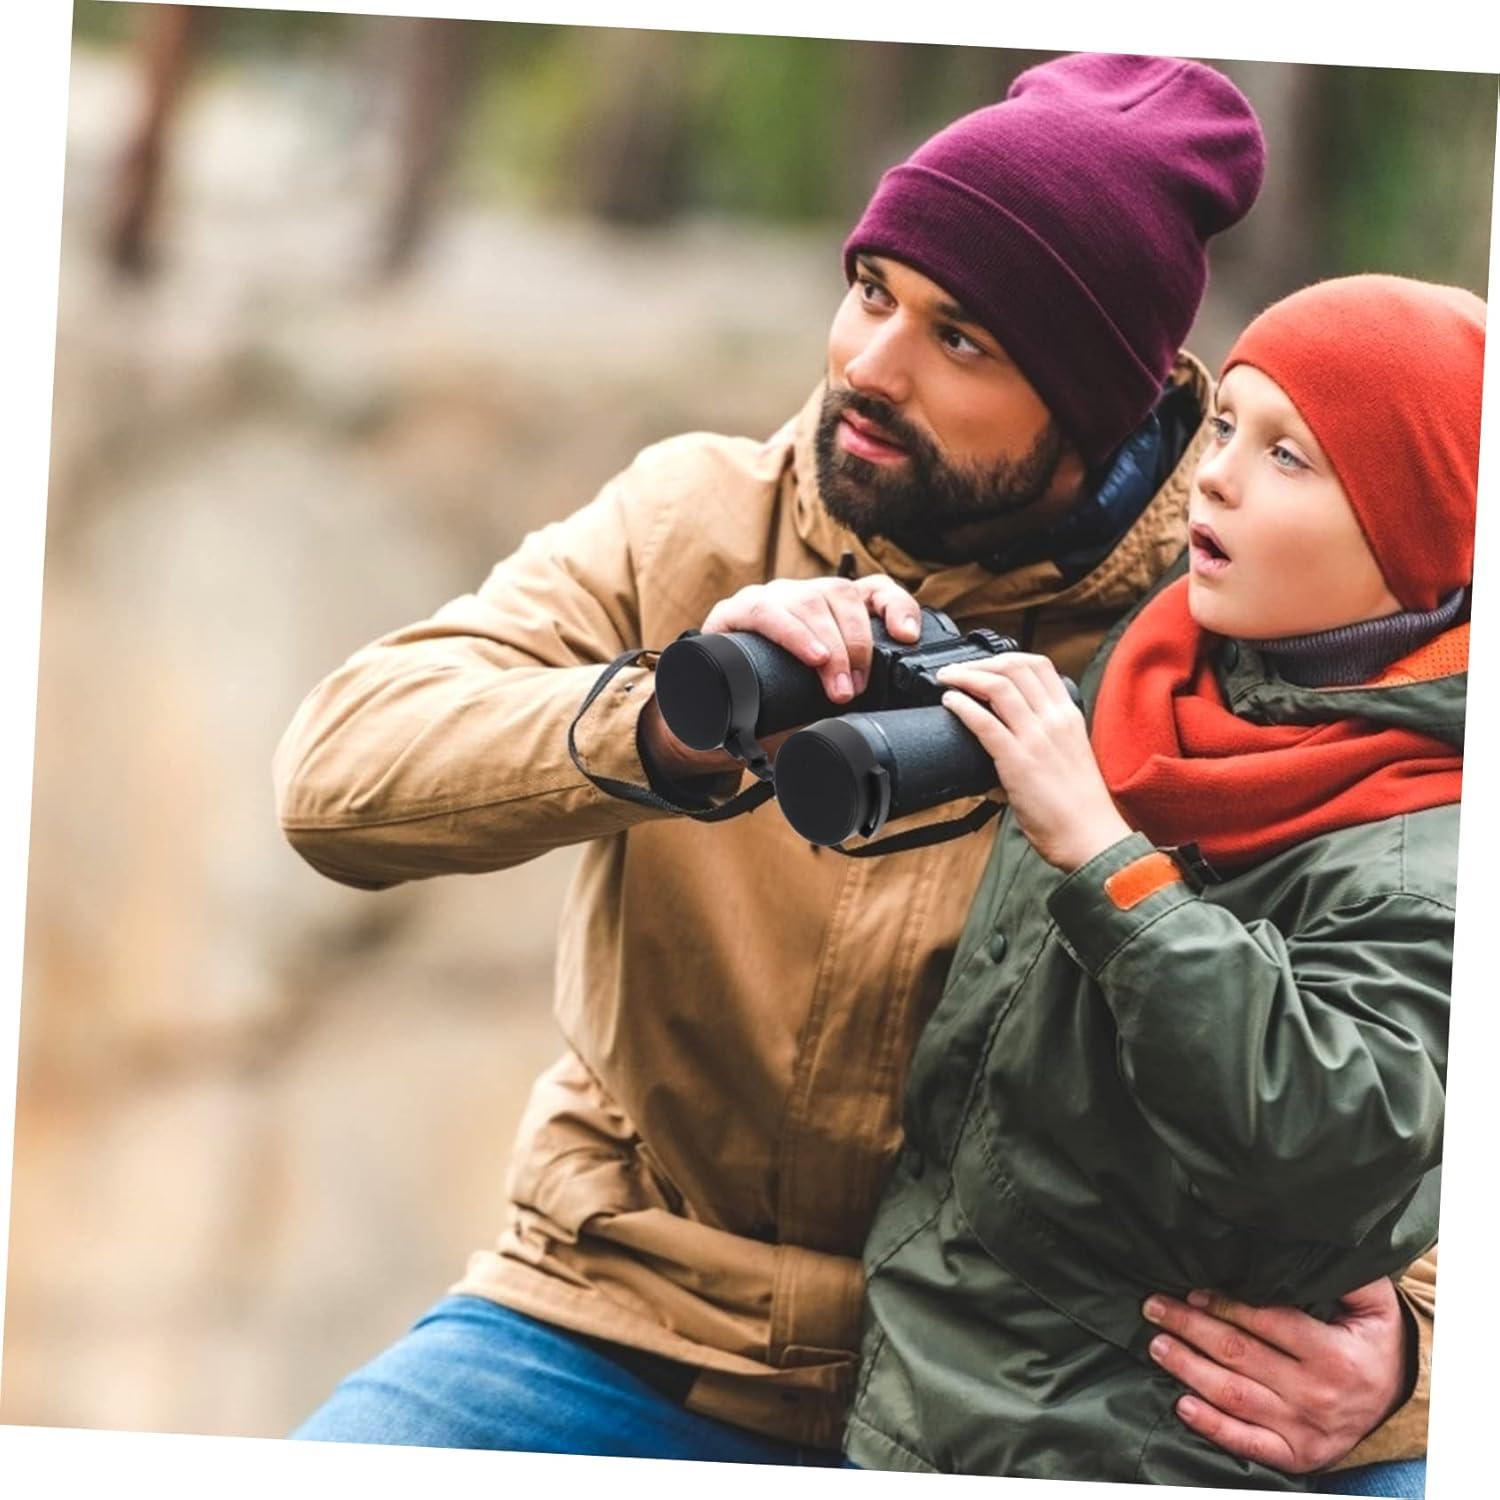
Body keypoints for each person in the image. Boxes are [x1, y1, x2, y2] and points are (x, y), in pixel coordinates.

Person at [274, 55, 1432, 1483]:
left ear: (1100, 408)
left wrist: (1419, 1356)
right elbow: (340, 770)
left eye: (964, 342)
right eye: (873, 289)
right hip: (632, 1317)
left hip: (1071, 1377)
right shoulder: (699, 520)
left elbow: (1397, 1011)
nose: (867, 364)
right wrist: (669, 722)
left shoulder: (1253, 602)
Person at [846, 273, 1478, 1491]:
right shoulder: (1164, 671)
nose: (1219, 475)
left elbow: (1335, 1136)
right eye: (1226, 426)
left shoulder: (1428, 843)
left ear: (1419, 528)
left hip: (1135, 1435)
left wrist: (1109, 864)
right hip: (926, 1383)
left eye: (1293, 457)